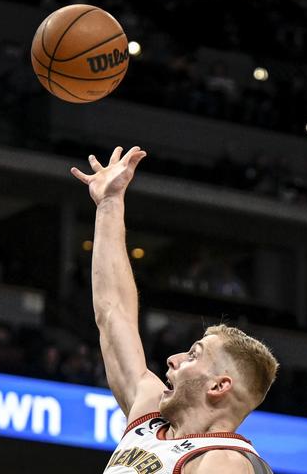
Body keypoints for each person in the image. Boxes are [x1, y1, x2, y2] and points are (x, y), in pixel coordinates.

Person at [71, 147, 279, 474]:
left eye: (194, 356)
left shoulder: (224, 461)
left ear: (219, 386)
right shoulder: (150, 417)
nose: (174, 358)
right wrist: (110, 204)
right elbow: (113, 314)